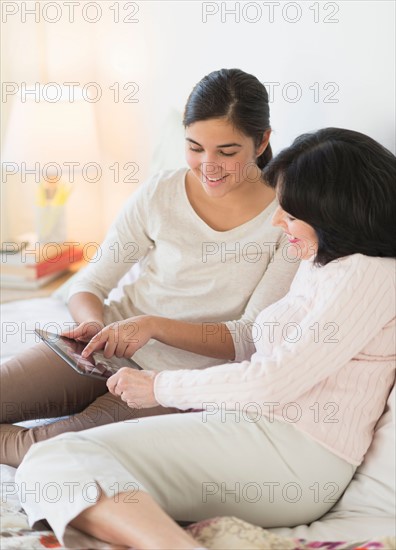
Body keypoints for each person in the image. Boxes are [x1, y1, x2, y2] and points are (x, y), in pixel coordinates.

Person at [16, 127, 396, 550]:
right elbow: (262, 348)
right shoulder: (324, 262)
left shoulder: (368, 275)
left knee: (58, 459)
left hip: (297, 456)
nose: (275, 221)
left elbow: (273, 381)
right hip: (254, 429)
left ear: (333, 213)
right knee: (55, 463)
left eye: (288, 213)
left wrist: (160, 386)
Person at [0, 69, 299, 467]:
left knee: (46, 449)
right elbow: (90, 282)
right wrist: (91, 325)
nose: (208, 165)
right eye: (194, 147)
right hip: (103, 348)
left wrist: (153, 326)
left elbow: (248, 337)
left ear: (262, 140)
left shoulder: (288, 219)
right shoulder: (161, 192)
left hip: (174, 383)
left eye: (226, 152)